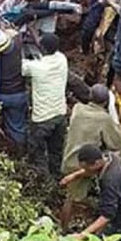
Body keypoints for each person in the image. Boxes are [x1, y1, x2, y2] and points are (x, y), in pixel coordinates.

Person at [59, 84, 121, 229]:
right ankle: (63, 231)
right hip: (82, 166)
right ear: (106, 102)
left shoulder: (77, 108)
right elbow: (117, 143)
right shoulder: (103, 118)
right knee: (72, 200)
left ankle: (64, 228)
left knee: (71, 196)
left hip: (68, 158)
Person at [66, 144, 121, 241]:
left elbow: (107, 216)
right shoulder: (111, 157)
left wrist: (82, 235)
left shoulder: (110, 181)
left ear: (97, 163)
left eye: (87, 168)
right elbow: (92, 170)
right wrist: (75, 175)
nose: (86, 171)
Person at [22, 33, 68, 176]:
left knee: (37, 154)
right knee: (56, 152)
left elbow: (22, 67)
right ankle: (55, 179)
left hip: (42, 119)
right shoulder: (62, 59)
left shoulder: (36, 67)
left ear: (42, 48)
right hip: (60, 114)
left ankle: (42, 181)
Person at [0, 29, 29, 148]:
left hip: (2, 95)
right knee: (17, 126)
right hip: (19, 93)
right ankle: (22, 151)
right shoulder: (19, 52)